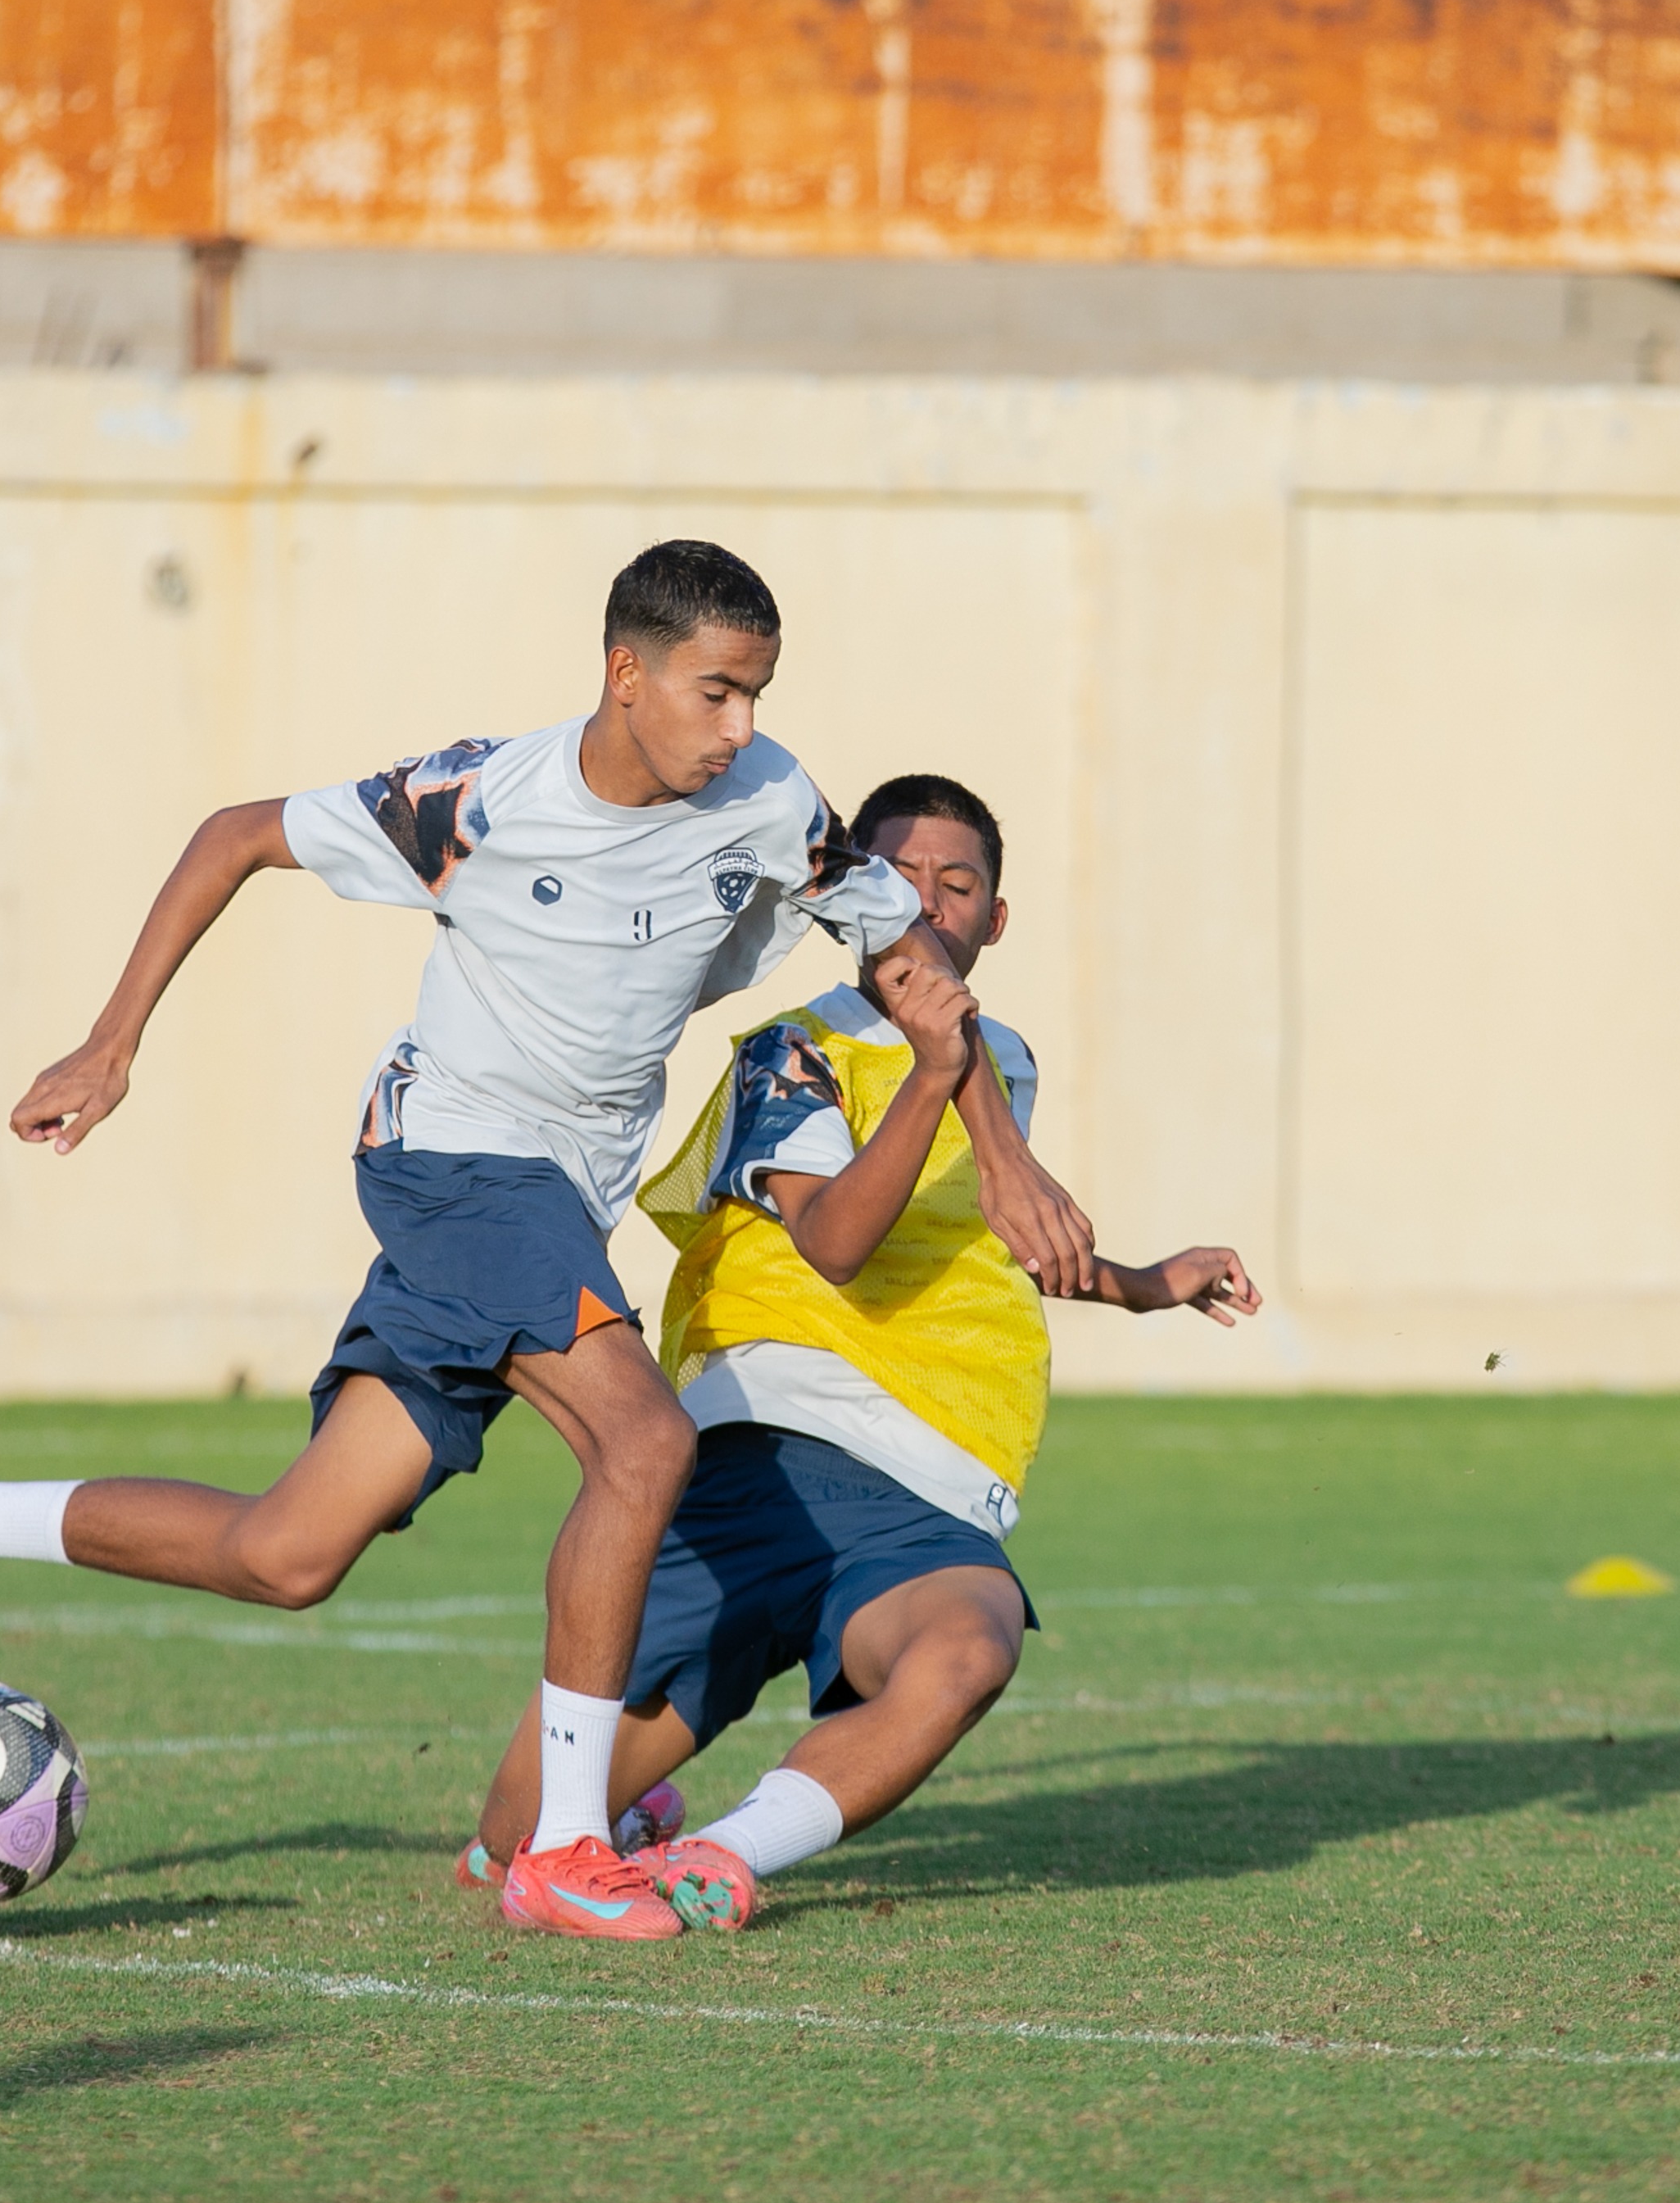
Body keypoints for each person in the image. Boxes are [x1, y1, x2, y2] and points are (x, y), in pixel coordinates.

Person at [0, 547, 1097, 1942]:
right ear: (625, 674)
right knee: (644, 1444)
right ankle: (566, 1852)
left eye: (755, 696)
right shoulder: (479, 802)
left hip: (551, 1206)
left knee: (288, 1554)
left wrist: (1006, 1156)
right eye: (715, 692)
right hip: (455, 1163)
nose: (740, 728)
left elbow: (910, 967)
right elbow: (234, 835)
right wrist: (110, 1044)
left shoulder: (775, 802)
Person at [460, 772, 1257, 1930]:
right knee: (511, 1834)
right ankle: (606, 1821)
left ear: (995, 918)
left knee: (968, 1649)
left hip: (928, 1476)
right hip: (764, 1457)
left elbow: (988, 1237)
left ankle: (722, 1854)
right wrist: (933, 1075)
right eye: (899, 881)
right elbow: (834, 1242)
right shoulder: (793, 1050)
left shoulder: (1006, 1062)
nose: (926, 905)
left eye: (957, 884)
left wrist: (1145, 1287)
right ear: (848, 905)